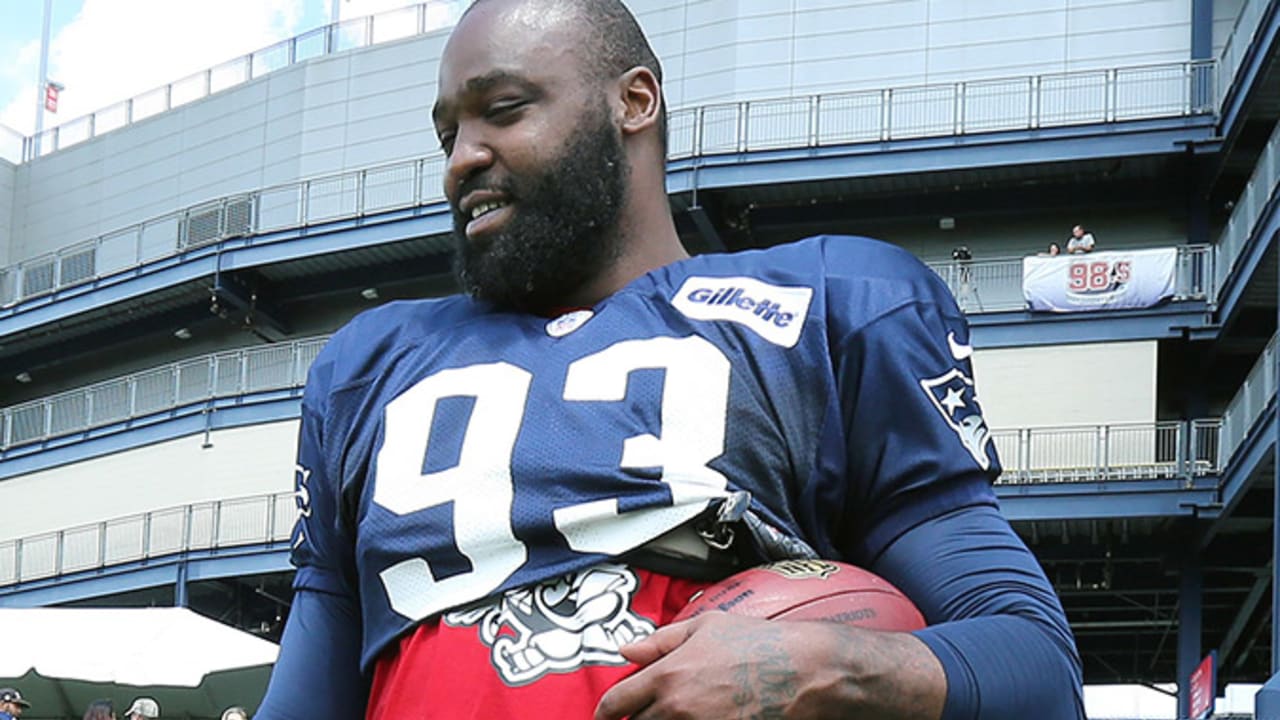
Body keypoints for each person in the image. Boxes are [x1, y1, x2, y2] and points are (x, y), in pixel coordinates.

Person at [258, 0, 1085, 718]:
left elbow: (1035, 667)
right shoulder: (369, 366)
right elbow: (310, 690)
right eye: (448, 134)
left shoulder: (826, 303)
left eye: (503, 109)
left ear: (635, 101)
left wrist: (837, 668)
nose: (460, 160)